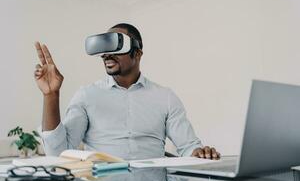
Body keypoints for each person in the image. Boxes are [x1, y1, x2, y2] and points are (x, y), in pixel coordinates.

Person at [34, 23, 221, 160]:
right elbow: (57, 153)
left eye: (115, 46)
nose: (107, 54)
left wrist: (200, 153)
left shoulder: (165, 97)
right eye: (104, 49)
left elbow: (189, 147)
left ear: (137, 53)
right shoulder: (87, 96)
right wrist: (51, 95)